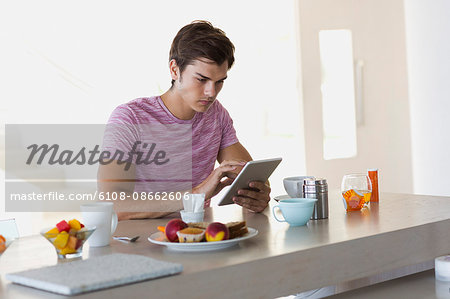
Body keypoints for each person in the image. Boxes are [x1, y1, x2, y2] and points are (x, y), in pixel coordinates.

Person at [98, 21, 271, 220]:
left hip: (196, 236)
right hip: (139, 241)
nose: (211, 92)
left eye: (219, 81)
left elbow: (250, 176)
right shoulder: (130, 118)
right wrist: (196, 195)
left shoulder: (216, 114)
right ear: (174, 69)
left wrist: (258, 193)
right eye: (201, 79)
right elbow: (113, 204)